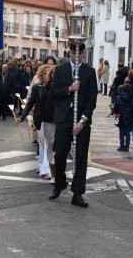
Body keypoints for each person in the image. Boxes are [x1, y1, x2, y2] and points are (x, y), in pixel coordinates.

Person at [48, 42, 97, 208]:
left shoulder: (89, 72)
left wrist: (82, 121)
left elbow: (92, 100)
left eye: (80, 53)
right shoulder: (60, 70)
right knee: (60, 153)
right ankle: (60, 183)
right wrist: (69, 88)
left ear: (83, 53)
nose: (77, 56)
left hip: (81, 120)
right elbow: (53, 93)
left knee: (80, 157)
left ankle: (77, 193)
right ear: (69, 52)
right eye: (74, 52)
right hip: (64, 117)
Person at [114, 83, 133, 152]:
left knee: (121, 132)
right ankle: (127, 146)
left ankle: (121, 146)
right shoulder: (132, 98)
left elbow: (115, 108)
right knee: (127, 133)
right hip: (129, 116)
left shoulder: (118, 97)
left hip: (119, 116)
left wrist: (116, 114)